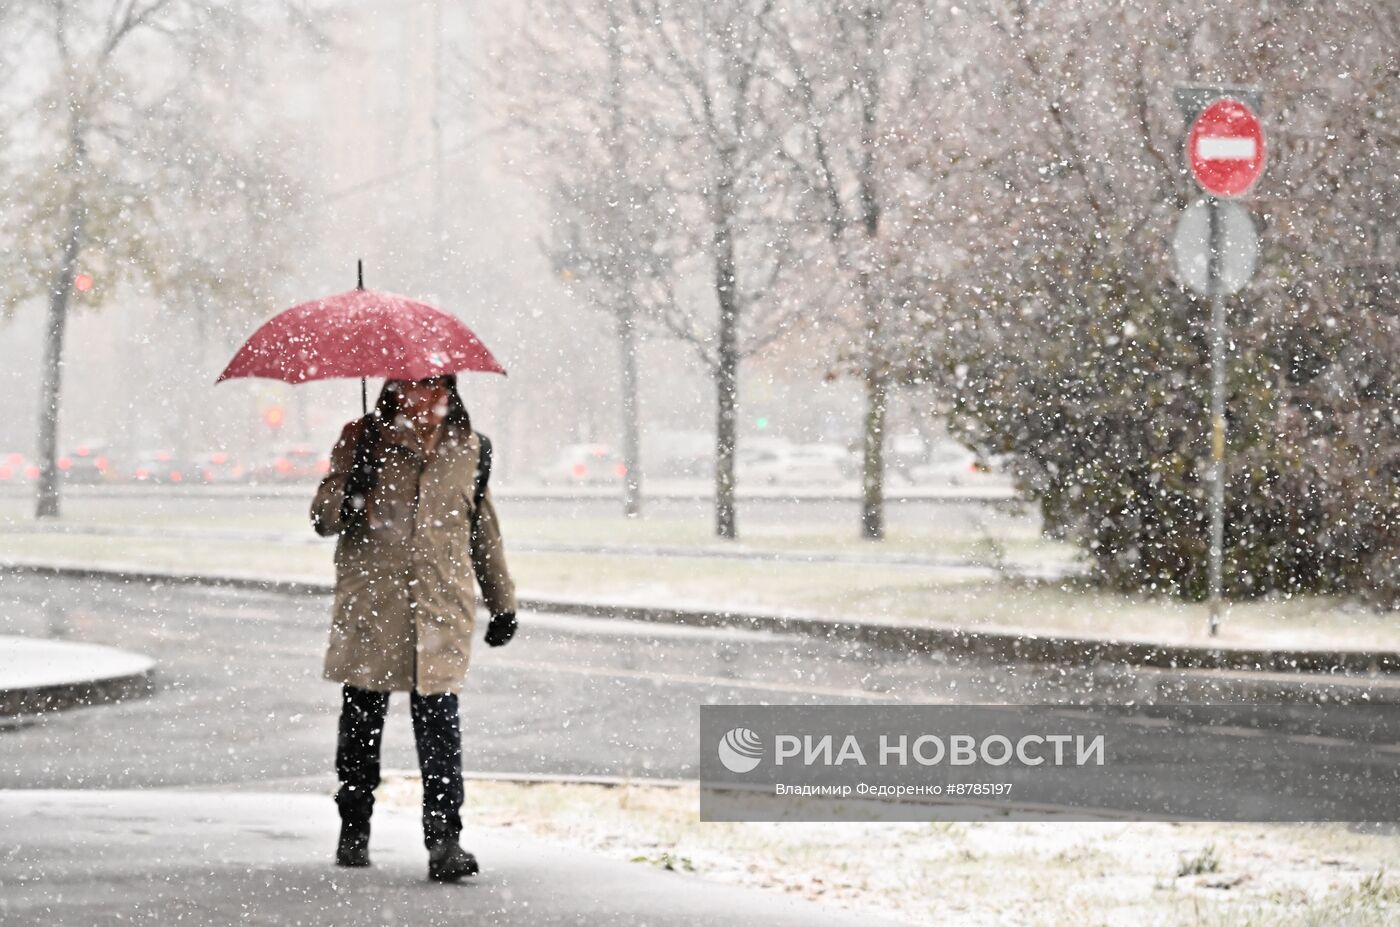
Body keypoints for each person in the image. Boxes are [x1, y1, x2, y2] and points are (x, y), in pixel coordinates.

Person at [310, 373, 518, 882]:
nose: (424, 398)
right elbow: (322, 518)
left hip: (441, 609)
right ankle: (354, 826)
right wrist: (352, 488)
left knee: (440, 726)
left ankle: (445, 841)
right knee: (361, 725)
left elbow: (482, 532)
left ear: (450, 390)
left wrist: (502, 602)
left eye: (434, 387)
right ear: (392, 391)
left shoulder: (471, 450)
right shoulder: (361, 439)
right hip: (374, 607)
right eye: (411, 387)